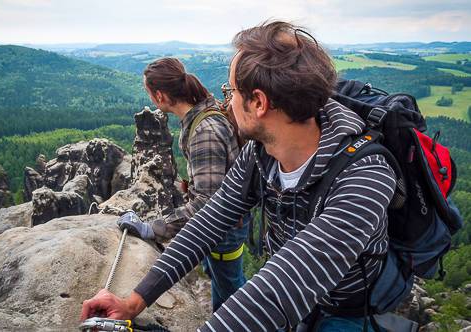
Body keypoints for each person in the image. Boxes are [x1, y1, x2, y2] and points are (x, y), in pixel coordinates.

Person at [81, 21, 396, 331]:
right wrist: (133, 303)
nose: (227, 100)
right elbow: (207, 224)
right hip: (298, 303)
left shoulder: (364, 178)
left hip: (347, 310)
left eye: (230, 90)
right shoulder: (261, 152)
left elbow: (286, 284)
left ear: (259, 102)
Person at [116, 57, 249, 312]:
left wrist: (152, 229)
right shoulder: (202, 114)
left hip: (223, 232)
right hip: (227, 229)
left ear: (159, 96)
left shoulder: (204, 132)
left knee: (230, 301)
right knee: (223, 283)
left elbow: (208, 206)